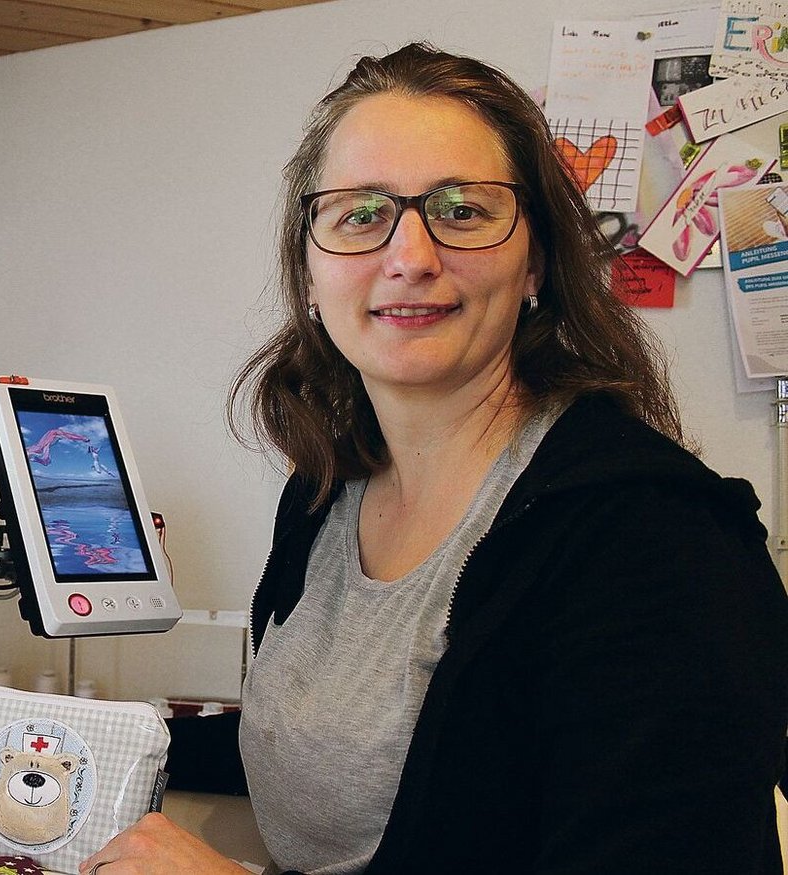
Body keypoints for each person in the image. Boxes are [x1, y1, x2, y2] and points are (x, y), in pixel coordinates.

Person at [80, 43, 788, 875]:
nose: (410, 256)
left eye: (462, 210)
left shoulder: (655, 539)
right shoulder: (323, 497)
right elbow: (354, 744)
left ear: (537, 263)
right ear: (309, 275)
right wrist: (96, 735)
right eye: (359, 213)